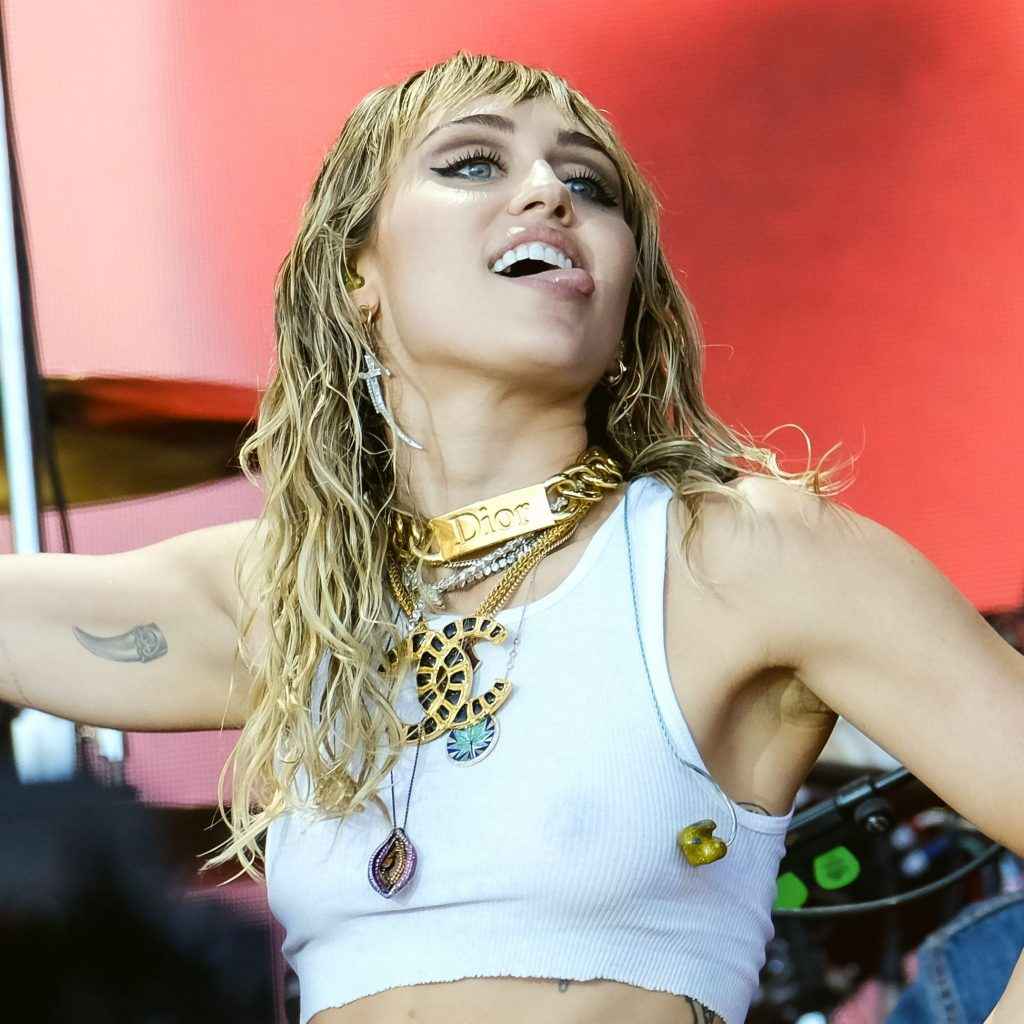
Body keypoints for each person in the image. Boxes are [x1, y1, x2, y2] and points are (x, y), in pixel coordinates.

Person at [2, 50, 1022, 1024]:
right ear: (357, 269)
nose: (547, 195)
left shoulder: (740, 555)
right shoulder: (291, 596)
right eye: (472, 163)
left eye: (590, 186)